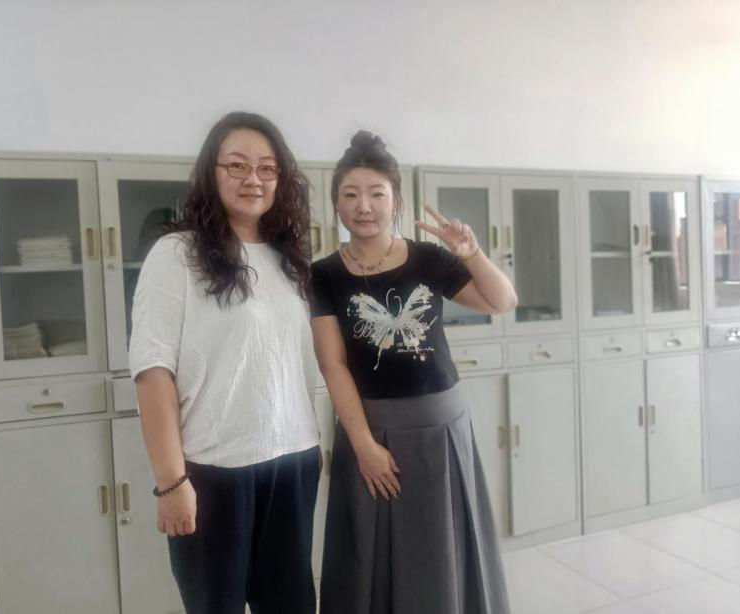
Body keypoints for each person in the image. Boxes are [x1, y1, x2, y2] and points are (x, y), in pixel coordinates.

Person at [310, 131, 516, 614]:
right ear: (337, 204)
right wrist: (364, 447)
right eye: (350, 194)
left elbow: (502, 301)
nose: (364, 206)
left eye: (376, 193)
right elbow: (332, 364)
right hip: (370, 431)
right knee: (369, 558)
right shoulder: (324, 273)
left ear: (395, 200)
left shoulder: (428, 258)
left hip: (442, 429)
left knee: (442, 553)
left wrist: (471, 253)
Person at [129, 111, 321, 614]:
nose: (252, 178)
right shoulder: (176, 254)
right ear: (210, 174)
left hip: (294, 458)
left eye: (266, 168)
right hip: (215, 470)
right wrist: (171, 482)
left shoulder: (289, 258)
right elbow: (153, 372)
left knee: (293, 604)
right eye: (236, 165)